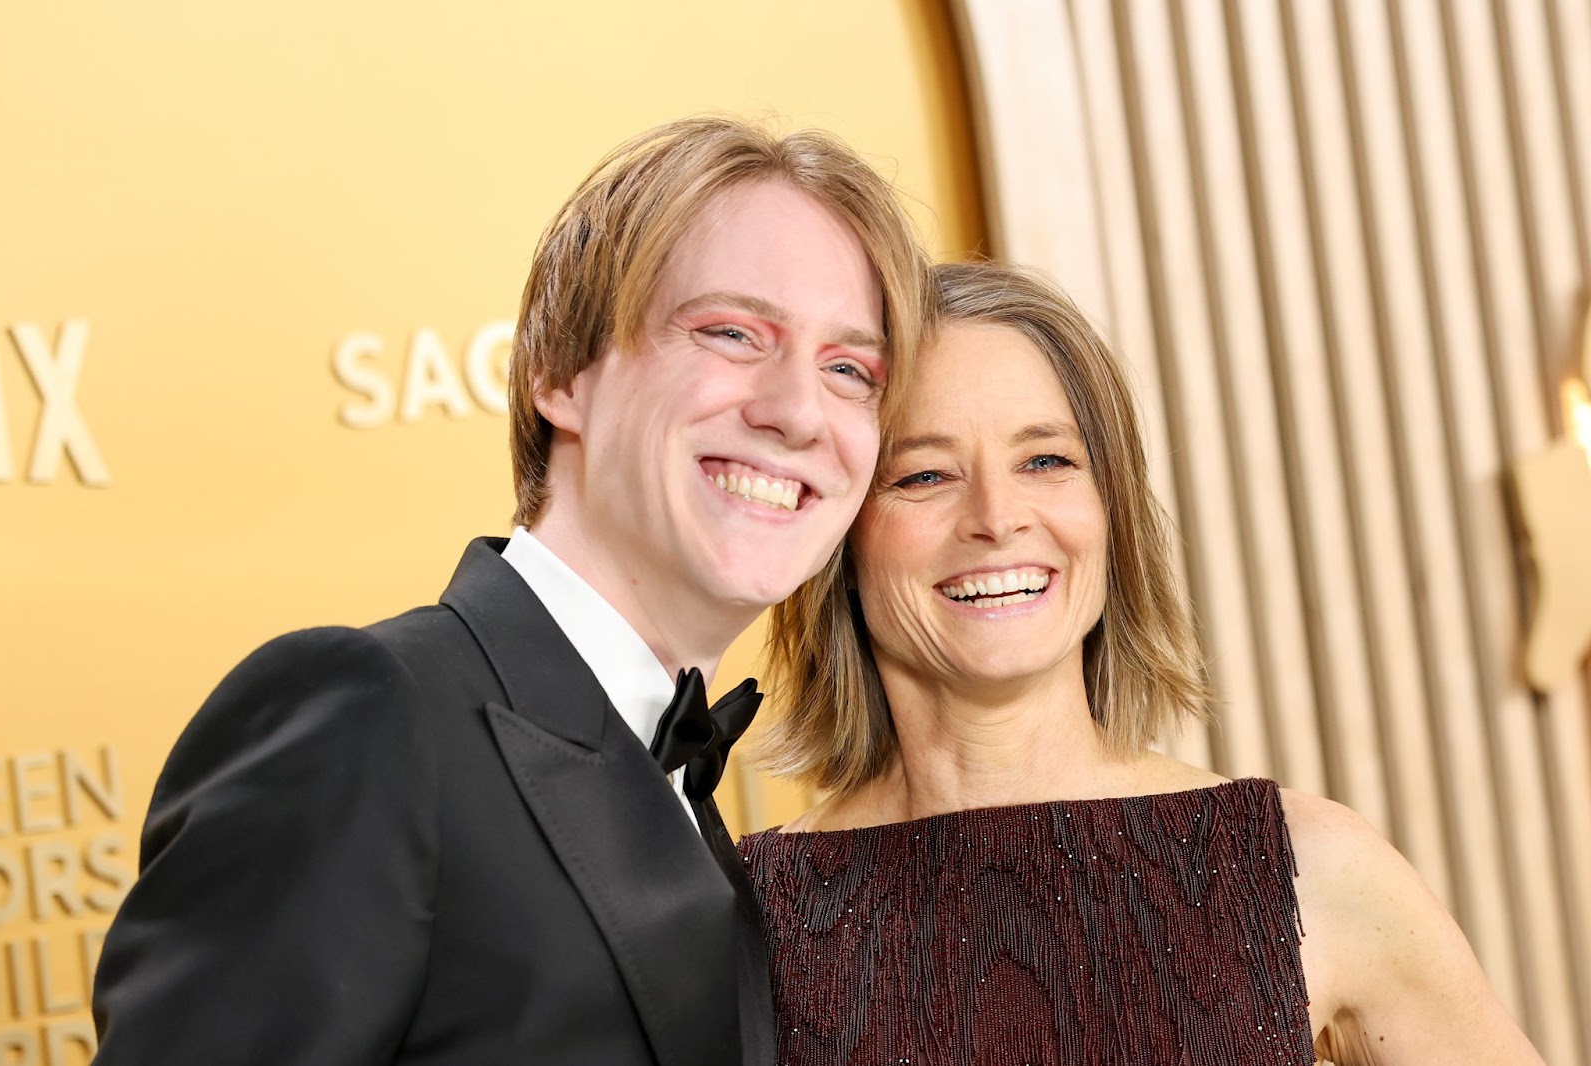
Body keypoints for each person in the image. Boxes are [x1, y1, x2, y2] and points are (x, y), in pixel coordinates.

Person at [91, 116, 929, 1066]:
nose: (797, 411)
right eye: (732, 333)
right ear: (559, 374)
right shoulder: (364, 711)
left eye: (850, 370)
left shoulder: (684, 794)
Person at [739, 261, 1542, 1065]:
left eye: (1046, 461)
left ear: (1110, 507)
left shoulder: (1307, 867)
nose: (997, 517)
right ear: (839, 540)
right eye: (924, 475)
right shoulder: (743, 919)